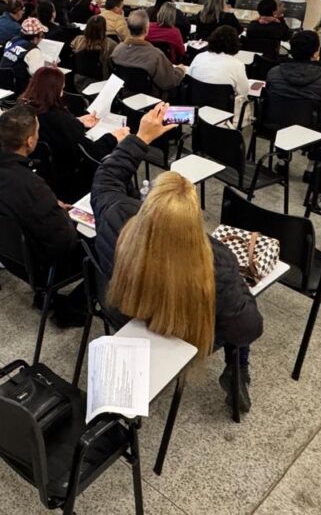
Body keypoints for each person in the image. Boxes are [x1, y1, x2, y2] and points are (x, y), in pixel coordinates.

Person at [96, 104, 263, 412]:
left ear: (146, 204)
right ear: (193, 220)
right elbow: (248, 328)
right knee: (239, 314)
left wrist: (141, 138)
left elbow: (107, 176)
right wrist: (245, 293)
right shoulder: (216, 260)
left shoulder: (115, 216)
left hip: (124, 312)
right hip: (186, 335)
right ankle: (238, 370)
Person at [0, 105, 88, 327]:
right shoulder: (31, 186)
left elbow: (6, 203)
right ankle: (74, 307)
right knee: (105, 246)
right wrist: (65, 218)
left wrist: (50, 206)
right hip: (42, 266)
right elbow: (64, 242)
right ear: (30, 141)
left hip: (3, 252)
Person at [19, 66, 126, 201]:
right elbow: (91, 152)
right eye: (61, 90)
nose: (62, 94)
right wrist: (113, 137)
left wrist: (78, 122)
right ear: (53, 91)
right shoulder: (60, 120)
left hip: (41, 174)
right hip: (71, 179)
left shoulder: (24, 111)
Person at [111, 9, 187, 97]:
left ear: (128, 28)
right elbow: (169, 82)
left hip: (125, 95)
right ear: (147, 29)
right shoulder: (155, 55)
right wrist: (180, 70)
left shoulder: (117, 50)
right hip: (150, 99)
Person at [265, 30, 321, 123]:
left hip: (274, 124)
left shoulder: (273, 73)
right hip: (310, 129)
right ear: (315, 54)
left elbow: (268, 99)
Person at [188, 24, 250, 94]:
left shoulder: (199, 57)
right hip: (223, 103)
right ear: (235, 44)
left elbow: (189, 78)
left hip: (195, 100)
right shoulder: (237, 65)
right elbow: (244, 91)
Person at [0, 17, 52, 92]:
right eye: (41, 36)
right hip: (18, 87)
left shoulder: (12, 41)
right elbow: (38, 74)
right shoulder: (32, 50)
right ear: (35, 38)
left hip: (2, 82)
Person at [70, 15, 116, 87]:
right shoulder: (110, 45)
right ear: (104, 28)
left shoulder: (78, 41)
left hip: (78, 82)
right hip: (101, 83)